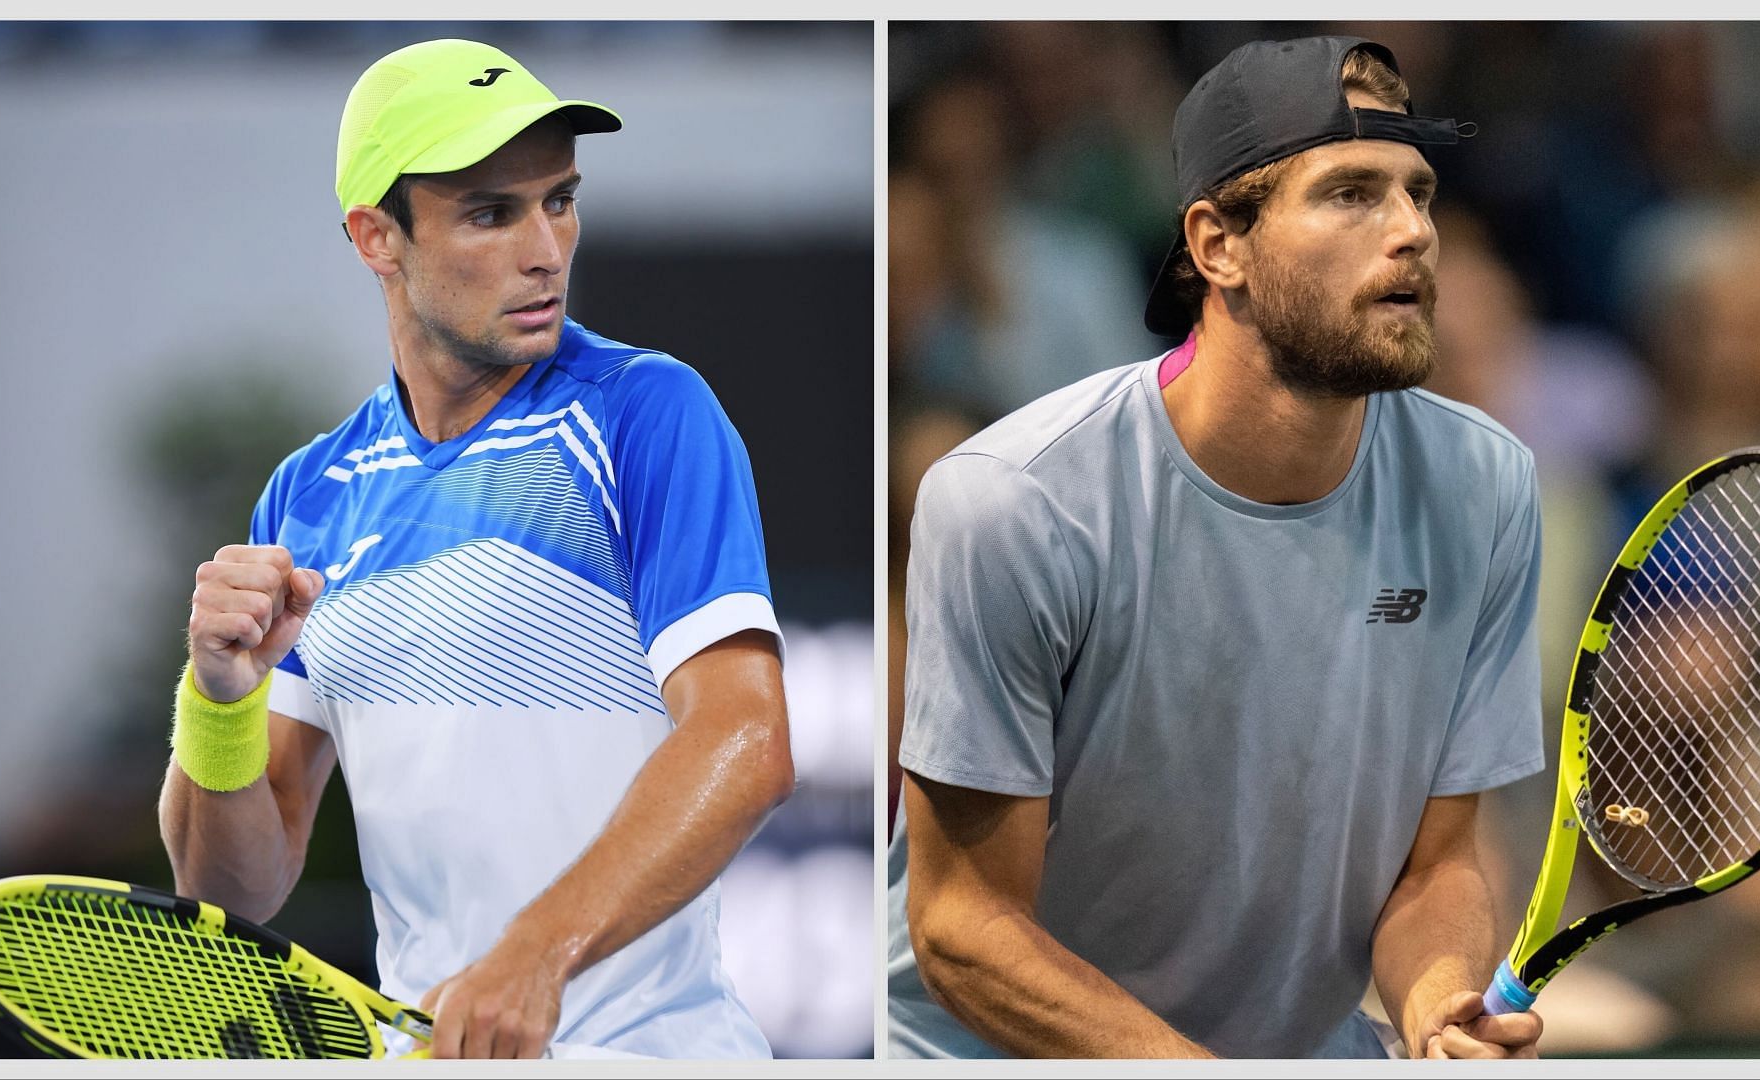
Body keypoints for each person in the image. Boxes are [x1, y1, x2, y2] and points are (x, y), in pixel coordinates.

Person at [887, 36, 1548, 1059]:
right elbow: (964, 929)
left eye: (1418, 192)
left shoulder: (1488, 486)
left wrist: (1437, 1001)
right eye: (1351, 193)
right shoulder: (1012, 503)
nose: (1414, 230)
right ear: (1217, 245)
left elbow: (1436, 865)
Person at [158, 38, 793, 1060]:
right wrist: (218, 700)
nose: (546, 247)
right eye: (493, 214)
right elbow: (232, 888)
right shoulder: (307, 497)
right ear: (377, 238)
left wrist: (535, 953)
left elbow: (747, 741)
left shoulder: (646, 413)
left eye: (560, 200)